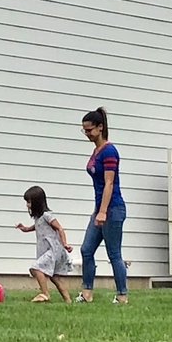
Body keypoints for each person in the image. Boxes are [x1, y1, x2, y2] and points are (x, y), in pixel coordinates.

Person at [77, 106, 128, 304]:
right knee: (86, 250)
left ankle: (122, 295)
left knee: (114, 253)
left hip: (112, 209)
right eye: (84, 130)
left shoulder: (109, 151)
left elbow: (109, 183)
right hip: (100, 209)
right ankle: (87, 293)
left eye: (89, 130)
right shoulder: (96, 151)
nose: (87, 134)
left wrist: (104, 211)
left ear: (100, 128)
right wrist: (97, 210)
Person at [19, 186, 73, 302]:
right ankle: (68, 301)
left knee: (36, 268)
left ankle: (45, 294)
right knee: (55, 278)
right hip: (50, 251)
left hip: (54, 250)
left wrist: (65, 243)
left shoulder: (47, 216)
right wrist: (26, 229)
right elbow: (37, 227)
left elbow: (59, 228)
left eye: (29, 202)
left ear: (37, 202)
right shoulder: (39, 218)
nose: (27, 205)